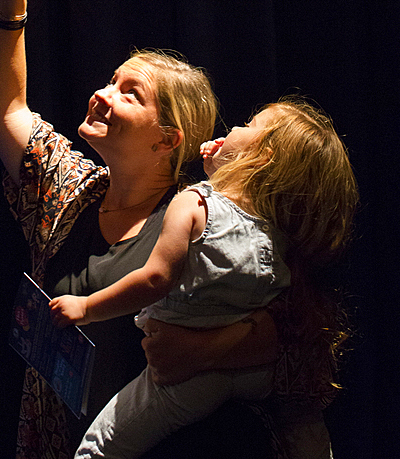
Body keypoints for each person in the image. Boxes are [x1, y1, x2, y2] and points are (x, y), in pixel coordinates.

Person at [0, 0, 337, 459]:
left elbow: (299, 340)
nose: (103, 93)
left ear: (168, 139)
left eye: (130, 93)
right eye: (111, 81)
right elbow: (3, 106)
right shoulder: (69, 190)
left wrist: (214, 348)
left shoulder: (202, 222)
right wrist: (13, 3)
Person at [48, 99, 358, 459]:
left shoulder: (194, 203)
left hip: (189, 393)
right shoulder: (272, 232)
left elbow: (156, 279)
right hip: (248, 385)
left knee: (97, 449)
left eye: (247, 123)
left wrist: (86, 307)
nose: (106, 95)